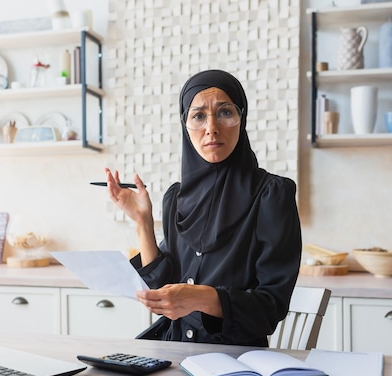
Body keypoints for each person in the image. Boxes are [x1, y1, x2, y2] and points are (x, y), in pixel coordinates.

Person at [104, 69, 301, 346]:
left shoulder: (271, 195)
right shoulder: (176, 198)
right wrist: (142, 222)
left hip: (237, 363)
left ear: (241, 119)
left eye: (225, 113)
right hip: (174, 355)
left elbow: (271, 307)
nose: (211, 128)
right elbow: (165, 291)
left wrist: (202, 297)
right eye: (198, 116)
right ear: (185, 125)